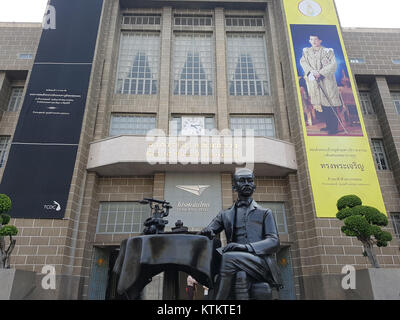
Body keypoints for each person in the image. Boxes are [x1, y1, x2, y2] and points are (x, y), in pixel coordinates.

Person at [199, 168, 282, 300]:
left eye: (250, 180)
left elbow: (274, 242)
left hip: (259, 263)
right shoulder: (225, 214)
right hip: (234, 264)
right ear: (234, 186)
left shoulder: (265, 212)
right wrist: (207, 233)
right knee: (239, 275)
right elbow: (208, 231)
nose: (247, 184)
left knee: (228, 258)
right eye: (242, 181)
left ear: (254, 185)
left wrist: (245, 247)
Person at [300, 34, 343, 135]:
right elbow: (303, 62)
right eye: (311, 39)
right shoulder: (306, 52)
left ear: (320, 41)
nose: (313, 41)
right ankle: (328, 125)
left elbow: (333, 65)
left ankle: (334, 127)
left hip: (326, 81)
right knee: (322, 104)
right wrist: (312, 72)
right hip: (315, 80)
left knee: (330, 104)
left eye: (316, 39)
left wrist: (321, 73)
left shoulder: (328, 51)